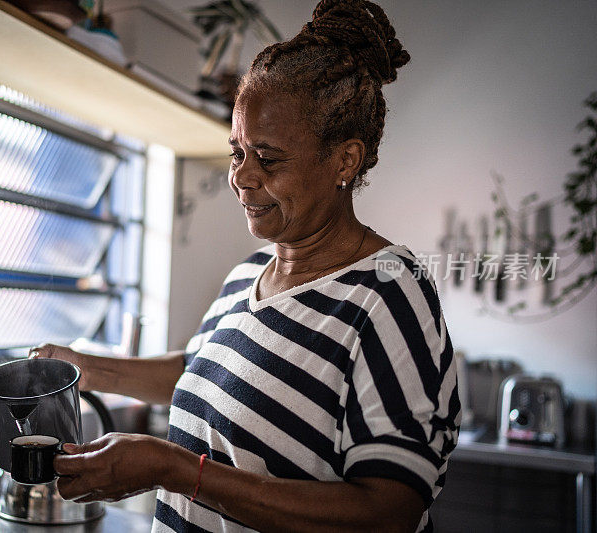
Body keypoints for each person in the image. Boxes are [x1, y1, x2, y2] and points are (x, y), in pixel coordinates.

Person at [29, 0, 460, 530]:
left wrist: (175, 470)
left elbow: (388, 510)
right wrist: (84, 370)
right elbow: (203, 372)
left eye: (269, 158)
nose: (242, 177)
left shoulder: (388, 293)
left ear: (344, 160)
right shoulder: (248, 274)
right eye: (237, 152)